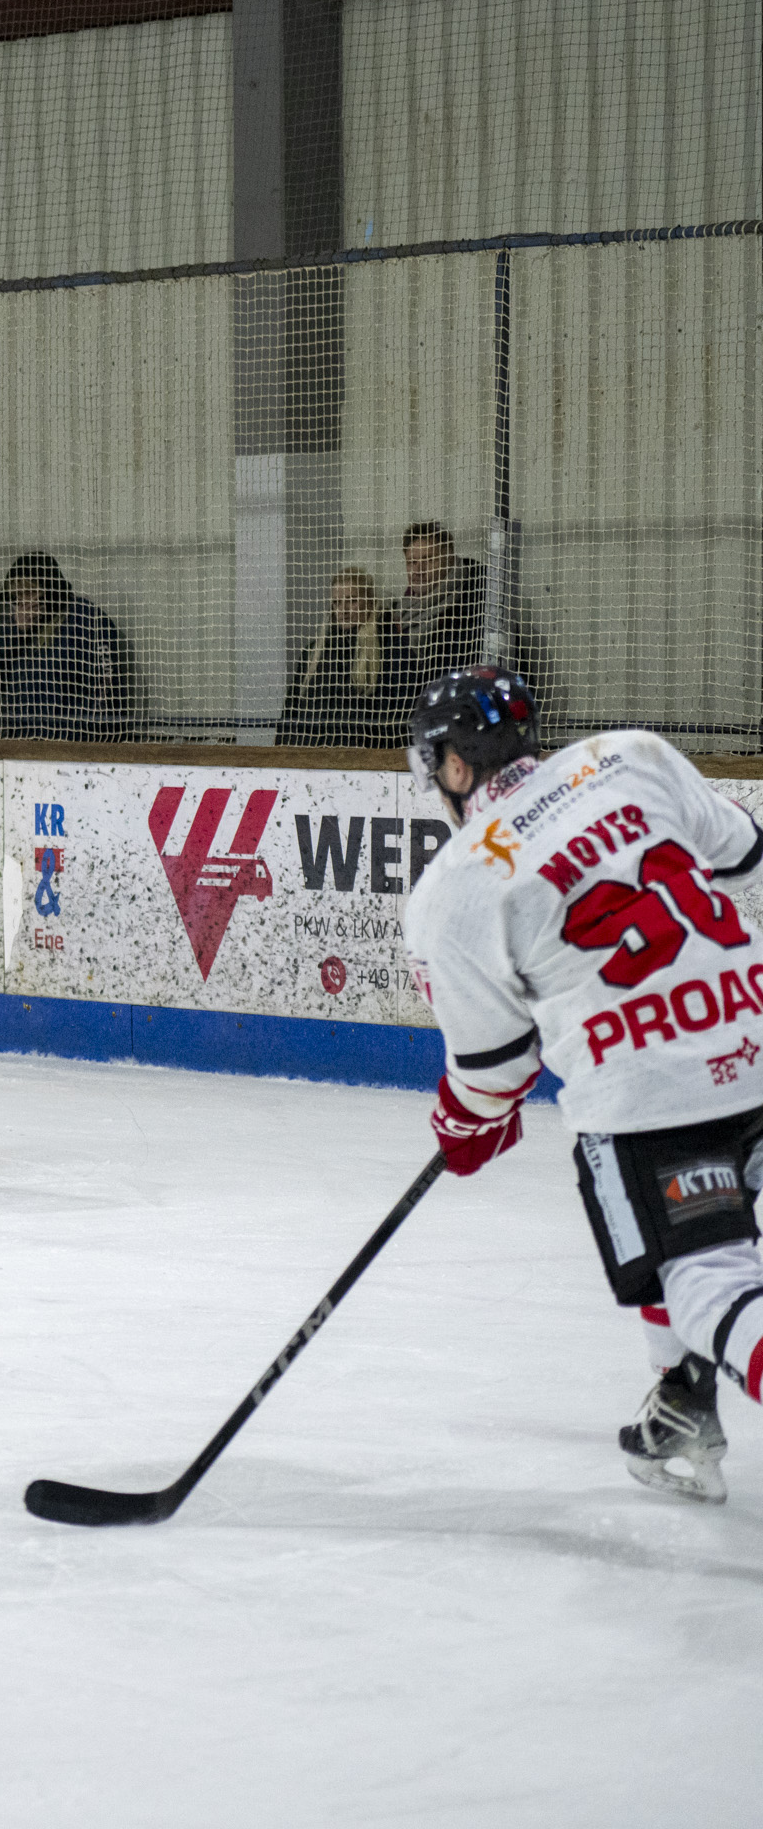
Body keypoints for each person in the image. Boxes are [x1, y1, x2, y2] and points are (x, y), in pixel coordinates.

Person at [401, 667, 763, 1505]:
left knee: (706, 1279)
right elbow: (744, 853)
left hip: (652, 1095)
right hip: (752, 1033)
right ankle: (682, 1403)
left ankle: (689, 1384)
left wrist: (465, 1127)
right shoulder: (630, 754)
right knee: (691, 1246)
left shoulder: (455, 887)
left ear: (456, 769)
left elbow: (495, 1072)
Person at [0, 551, 130, 743]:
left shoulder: (87, 619)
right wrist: (16, 633)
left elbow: (107, 690)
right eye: (17, 596)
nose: (24, 603)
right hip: (22, 746)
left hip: (74, 747)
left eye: (30, 592)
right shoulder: (16, 628)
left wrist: (79, 739)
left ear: (49, 589)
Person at [276, 568, 412, 749]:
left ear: (370, 602)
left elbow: (398, 717)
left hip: (367, 760)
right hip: (309, 759)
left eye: (352, 601)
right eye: (337, 603)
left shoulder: (393, 651)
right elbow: (290, 713)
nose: (344, 610)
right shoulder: (313, 654)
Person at [396, 522, 488, 698]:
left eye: (428, 560)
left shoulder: (479, 599)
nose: (418, 570)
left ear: (450, 559)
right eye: (412, 562)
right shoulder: (401, 612)